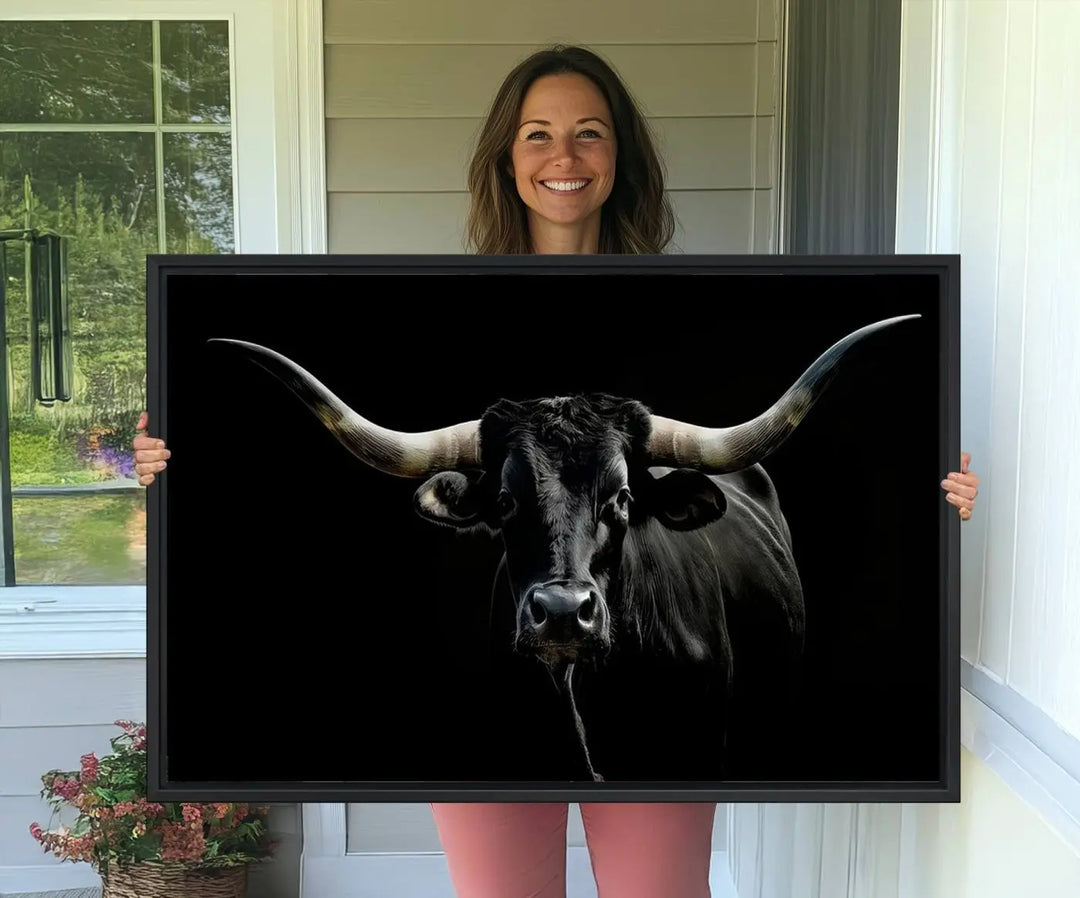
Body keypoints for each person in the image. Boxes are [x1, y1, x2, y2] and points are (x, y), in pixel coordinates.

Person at [133, 45, 980, 898]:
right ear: (507, 157)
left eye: (589, 134)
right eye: (537, 135)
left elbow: (748, 457)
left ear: (621, 158)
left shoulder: (694, 304)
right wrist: (178, 467)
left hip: (658, 657)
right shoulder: (434, 316)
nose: (563, 158)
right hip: (488, 685)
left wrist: (933, 487)